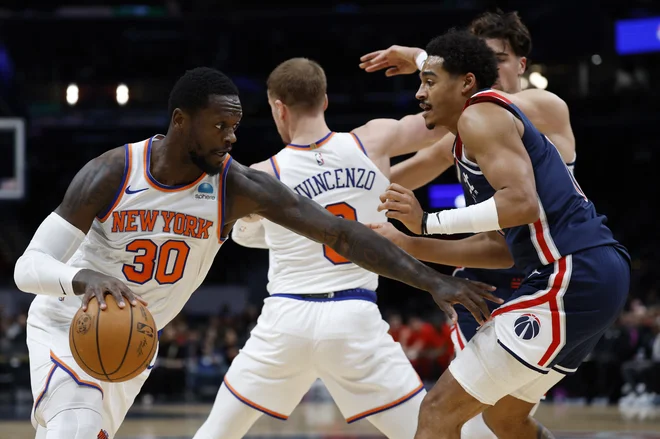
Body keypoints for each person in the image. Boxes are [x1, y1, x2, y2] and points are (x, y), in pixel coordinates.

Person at [13, 67, 497, 439]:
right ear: (181, 121)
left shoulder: (235, 186)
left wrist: (433, 279)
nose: (231, 137)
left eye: (235, 126)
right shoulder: (112, 172)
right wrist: (83, 280)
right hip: (66, 323)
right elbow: (27, 266)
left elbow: (342, 235)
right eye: (219, 125)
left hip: (134, 340)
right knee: (73, 424)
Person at [366, 29, 630, 439]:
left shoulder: (483, 113)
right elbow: (500, 248)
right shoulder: (469, 134)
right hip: (584, 273)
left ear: (467, 81)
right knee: (504, 419)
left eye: (429, 82)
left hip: (572, 272)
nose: (419, 93)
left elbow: (521, 204)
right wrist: (409, 243)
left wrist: (425, 222)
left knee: (437, 412)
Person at [193, 57, 462, 439]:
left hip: (286, 317)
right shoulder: (374, 140)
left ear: (278, 108)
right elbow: (451, 112)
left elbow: (239, 233)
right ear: (325, 101)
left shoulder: (263, 174)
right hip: (354, 317)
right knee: (426, 431)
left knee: (217, 432)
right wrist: (423, 61)